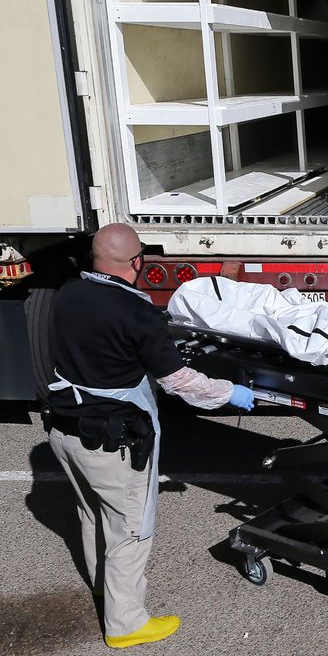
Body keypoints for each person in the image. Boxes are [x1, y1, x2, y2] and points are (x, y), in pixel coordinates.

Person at [44, 223, 255, 649]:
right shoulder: (135, 312)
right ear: (136, 262)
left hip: (65, 432)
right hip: (112, 441)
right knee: (130, 530)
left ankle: (105, 589)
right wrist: (230, 392)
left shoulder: (68, 293)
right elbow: (179, 381)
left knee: (92, 513)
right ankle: (126, 625)